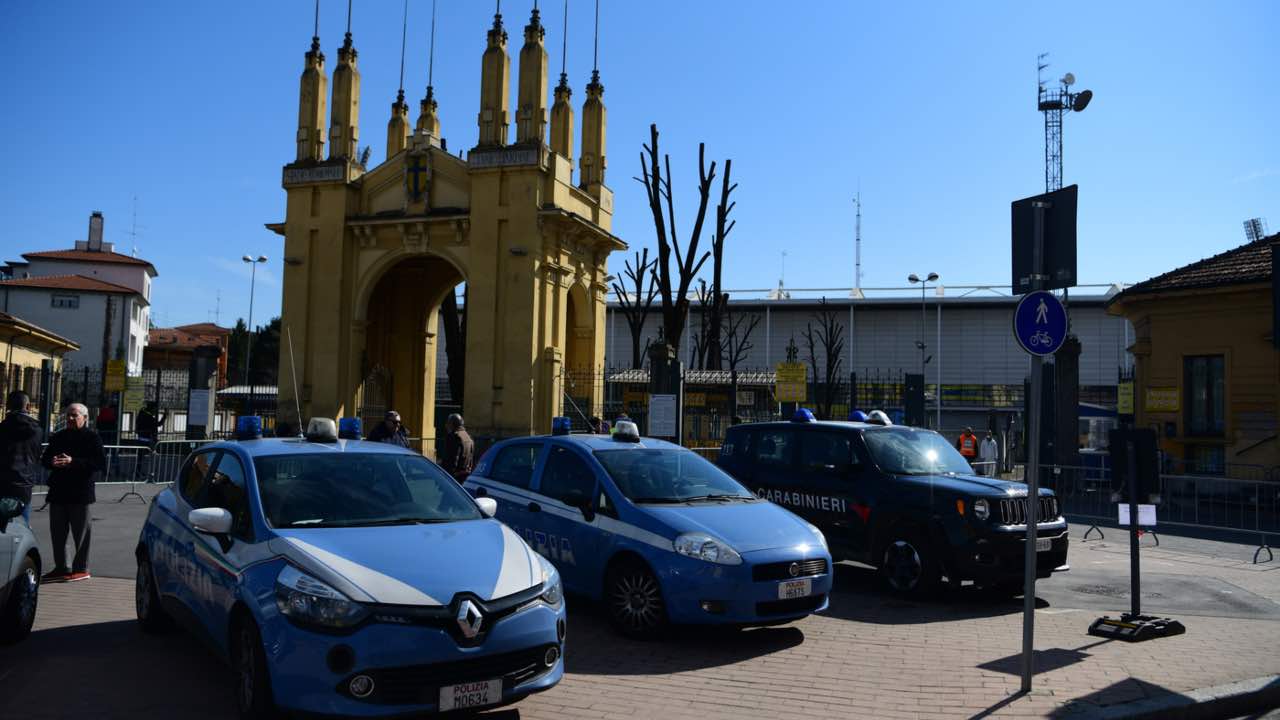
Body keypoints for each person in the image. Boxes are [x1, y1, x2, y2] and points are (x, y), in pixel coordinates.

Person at [40, 403, 106, 582]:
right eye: (68, 415)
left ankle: (82, 568)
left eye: (74, 415)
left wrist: (73, 462)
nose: (70, 419)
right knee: (58, 533)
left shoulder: (92, 438)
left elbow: (98, 463)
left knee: (81, 532)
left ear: (85, 418)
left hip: (80, 492)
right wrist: (51, 461)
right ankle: (62, 567)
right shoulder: (58, 437)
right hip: (58, 491)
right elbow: (45, 459)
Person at [0, 392, 42, 524]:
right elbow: (36, 455)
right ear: (28, 406)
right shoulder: (36, 430)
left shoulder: (2, 427)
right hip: (24, 482)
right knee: (22, 522)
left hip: (3, 480)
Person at [439, 413, 475, 482]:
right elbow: (471, 459)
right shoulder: (468, 437)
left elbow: (451, 460)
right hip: (465, 477)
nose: (446, 426)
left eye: (448, 423)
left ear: (452, 424)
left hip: (454, 479)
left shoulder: (454, 436)